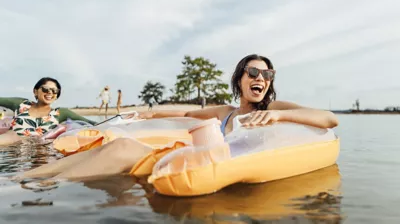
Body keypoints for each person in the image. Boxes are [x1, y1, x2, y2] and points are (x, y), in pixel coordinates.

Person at [20, 54, 338, 180]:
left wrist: (278, 119)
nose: (261, 77)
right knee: (118, 146)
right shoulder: (226, 112)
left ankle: (35, 182)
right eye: (253, 71)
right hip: (202, 160)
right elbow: (187, 113)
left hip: (228, 166)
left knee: (121, 153)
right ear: (240, 78)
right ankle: (25, 179)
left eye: (267, 73)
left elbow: (328, 119)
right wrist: (146, 114)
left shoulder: (274, 108)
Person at [0, 77, 96, 146]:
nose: (50, 92)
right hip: (10, 149)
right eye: (45, 89)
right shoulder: (21, 104)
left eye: (54, 90)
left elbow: (92, 123)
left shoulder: (61, 113)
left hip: (38, 153)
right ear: (35, 91)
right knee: (13, 135)